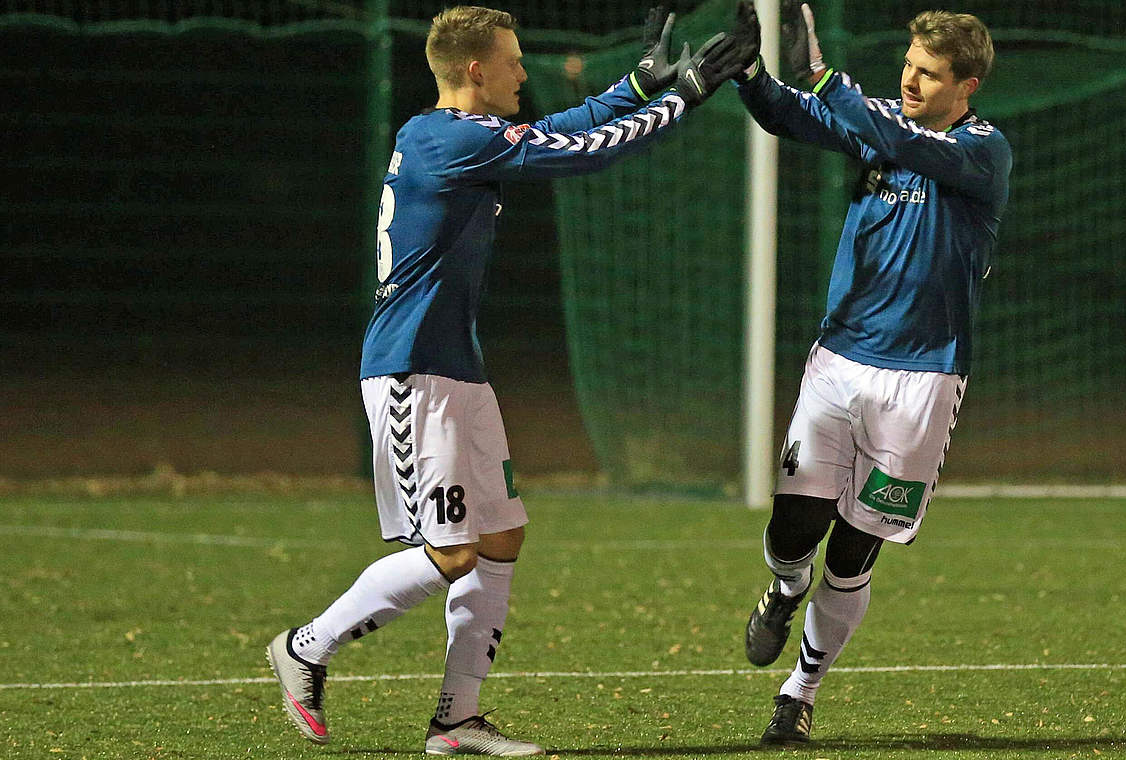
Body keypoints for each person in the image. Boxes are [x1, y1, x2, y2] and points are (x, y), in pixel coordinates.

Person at [264, 6, 755, 756]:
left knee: (499, 537)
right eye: (514, 61)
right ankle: (307, 645)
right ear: (475, 70)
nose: (524, 74)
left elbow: (568, 128)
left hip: (455, 370)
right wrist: (682, 94)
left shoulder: (460, 136)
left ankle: (456, 722)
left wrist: (639, 83)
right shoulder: (445, 138)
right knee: (453, 551)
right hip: (411, 373)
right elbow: (584, 152)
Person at [728, 0, 1011, 745]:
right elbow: (789, 115)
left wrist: (822, 73)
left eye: (930, 73)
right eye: (909, 67)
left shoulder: (984, 151)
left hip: (922, 383)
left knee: (854, 548)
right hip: (838, 361)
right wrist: (748, 71)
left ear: (968, 85)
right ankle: (784, 589)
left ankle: (800, 693)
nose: (911, 82)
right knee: (795, 528)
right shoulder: (881, 114)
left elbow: (899, 139)